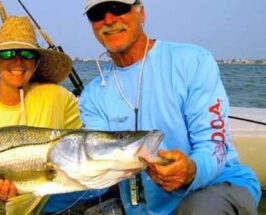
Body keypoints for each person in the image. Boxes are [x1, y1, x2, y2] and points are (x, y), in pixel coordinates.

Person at [79, 0, 261, 214]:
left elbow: (215, 145)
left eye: (119, 8)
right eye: (98, 13)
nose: (109, 20)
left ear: (141, 13)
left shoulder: (193, 61)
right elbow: (95, 164)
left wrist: (191, 170)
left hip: (217, 186)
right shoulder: (92, 95)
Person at [0, 16, 82, 213]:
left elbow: (76, 154)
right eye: (8, 53)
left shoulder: (60, 98)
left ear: (37, 61)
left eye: (27, 54)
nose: (18, 61)